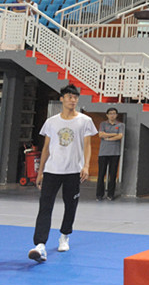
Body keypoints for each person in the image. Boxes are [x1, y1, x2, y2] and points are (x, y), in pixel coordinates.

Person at [28, 84, 98, 263]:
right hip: (52, 170)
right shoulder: (51, 122)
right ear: (62, 99)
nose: (72, 100)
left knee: (70, 205)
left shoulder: (85, 120)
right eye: (69, 97)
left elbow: (88, 145)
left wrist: (86, 166)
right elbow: (46, 148)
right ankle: (40, 245)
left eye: (75, 97)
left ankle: (65, 235)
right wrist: (40, 171)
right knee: (45, 206)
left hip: (73, 171)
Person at [96, 107, 124, 201]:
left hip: (115, 153)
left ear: (116, 115)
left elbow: (120, 136)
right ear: (107, 115)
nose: (112, 115)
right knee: (101, 174)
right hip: (103, 153)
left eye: (114, 113)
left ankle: (111, 194)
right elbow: (101, 135)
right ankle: (99, 195)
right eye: (110, 113)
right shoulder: (103, 124)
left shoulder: (120, 125)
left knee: (113, 175)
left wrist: (107, 137)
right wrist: (114, 134)